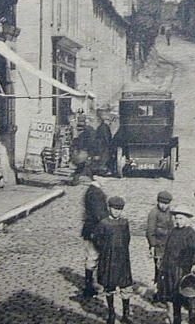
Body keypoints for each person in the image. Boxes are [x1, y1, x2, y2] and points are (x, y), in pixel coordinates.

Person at [93, 196, 134, 324]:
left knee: (125, 286)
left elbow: (127, 238)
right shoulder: (104, 223)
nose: (117, 212)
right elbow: (97, 240)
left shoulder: (124, 223)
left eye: (119, 209)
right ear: (109, 208)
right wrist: (106, 250)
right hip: (108, 260)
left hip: (122, 260)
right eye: (115, 209)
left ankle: (125, 314)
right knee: (109, 287)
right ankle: (111, 313)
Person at [158, 204, 195, 324]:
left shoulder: (191, 234)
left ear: (187, 219)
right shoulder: (173, 232)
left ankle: (192, 320)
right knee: (174, 298)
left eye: (181, 218)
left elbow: (194, 252)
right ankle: (176, 320)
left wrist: (193, 265)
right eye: (176, 218)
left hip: (183, 271)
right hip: (171, 270)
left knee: (188, 299)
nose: (178, 221)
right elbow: (168, 250)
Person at [81, 168, 109, 297]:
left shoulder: (93, 191)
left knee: (93, 257)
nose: (105, 180)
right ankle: (89, 286)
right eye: (103, 177)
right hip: (94, 230)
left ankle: (91, 284)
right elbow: (99, 214)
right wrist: (108, 224)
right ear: (96, 177)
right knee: (93, 257)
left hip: (92, 229)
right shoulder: (95, 193)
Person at [147, 191, 174, 292]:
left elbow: (172, 227)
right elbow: (150, 231)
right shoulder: (154, 213)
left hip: (168, 245)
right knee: (159, 269)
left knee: (167, 269)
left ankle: (164, 290)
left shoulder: (170, 213)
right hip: (158, 246)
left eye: (166, 204)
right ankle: (158, 291)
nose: (164, 206)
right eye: (162, 203)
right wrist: (152, 246)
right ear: (158, 202)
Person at [72, 116, 96, 184]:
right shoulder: (88, 131)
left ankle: (90, 178)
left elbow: (75, 141)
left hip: (81, 150)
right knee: (83, 166)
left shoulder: (78, 131)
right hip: (84, 151)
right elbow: (90, 141)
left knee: (84, 166)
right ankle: (76, 179)